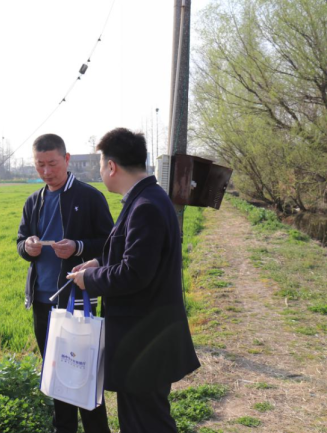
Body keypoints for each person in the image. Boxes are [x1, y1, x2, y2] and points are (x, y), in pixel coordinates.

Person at [67, 127, 201, 433]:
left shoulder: (146, 207)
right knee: (140, 420)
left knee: (148, 423)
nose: (101, 171)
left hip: (145, 340)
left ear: (111, 167)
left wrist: (91, 278)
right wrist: (100, 262)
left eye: (101, 165)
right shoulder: (146, 199)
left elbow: (135, 273)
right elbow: (138, 256)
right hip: (145, 337)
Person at [17, 133, 114, 433]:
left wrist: (78, 246)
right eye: (40, 165)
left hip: (77, 303)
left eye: (52, 164)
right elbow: (20, 242)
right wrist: (28, 247)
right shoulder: (34, 201)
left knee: (84, 381)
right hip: (43, 304)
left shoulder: (89, 197)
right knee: (57, 380)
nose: (46, 171)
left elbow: (111, 245)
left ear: (67, 159)